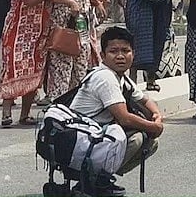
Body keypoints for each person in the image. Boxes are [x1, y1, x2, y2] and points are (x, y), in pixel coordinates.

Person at [69, 26, 162, 197]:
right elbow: (124, 118)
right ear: (103, 56)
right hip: (79, 141)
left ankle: (99, 179)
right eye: (113, 51)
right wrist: (154, 127)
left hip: (93, 137)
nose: (120, 56)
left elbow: (146, 99)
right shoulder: (105, 77)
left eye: (125, 51)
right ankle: (94, 181)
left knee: (149, 142)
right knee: (136, 138)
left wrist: (157, 115)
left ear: (133, 54)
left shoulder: (121, 77)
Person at [0, 0, 77, 127]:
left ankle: (25, 115)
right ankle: (7, 112)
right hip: (19, 33)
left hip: (40, 33)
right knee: (14, 70)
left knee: (35, 73)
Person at [47, 0, 101, 98]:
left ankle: (78, 103)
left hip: (82, 22)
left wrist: (95, 2)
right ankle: (58, 102)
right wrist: (70, 2)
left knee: (82, 62)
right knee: (62, 65)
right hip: (64, 22)